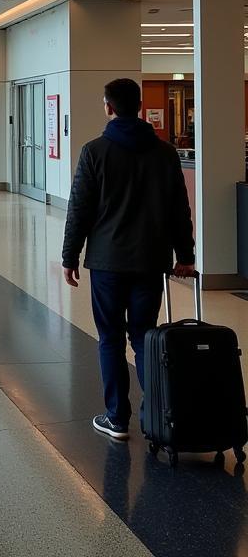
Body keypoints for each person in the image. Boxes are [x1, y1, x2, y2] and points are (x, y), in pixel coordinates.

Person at [62, 78, 195, 442]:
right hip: (151, 261)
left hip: (107, 262)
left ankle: (116, 418)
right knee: (143, 337)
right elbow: (178, 211)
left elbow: (80, 210)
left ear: (108, 107)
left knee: (109, 339)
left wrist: (69, 256)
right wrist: (185, 256)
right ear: (138, 105)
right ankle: (156, 414)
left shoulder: (94, 151)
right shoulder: (166, 153)